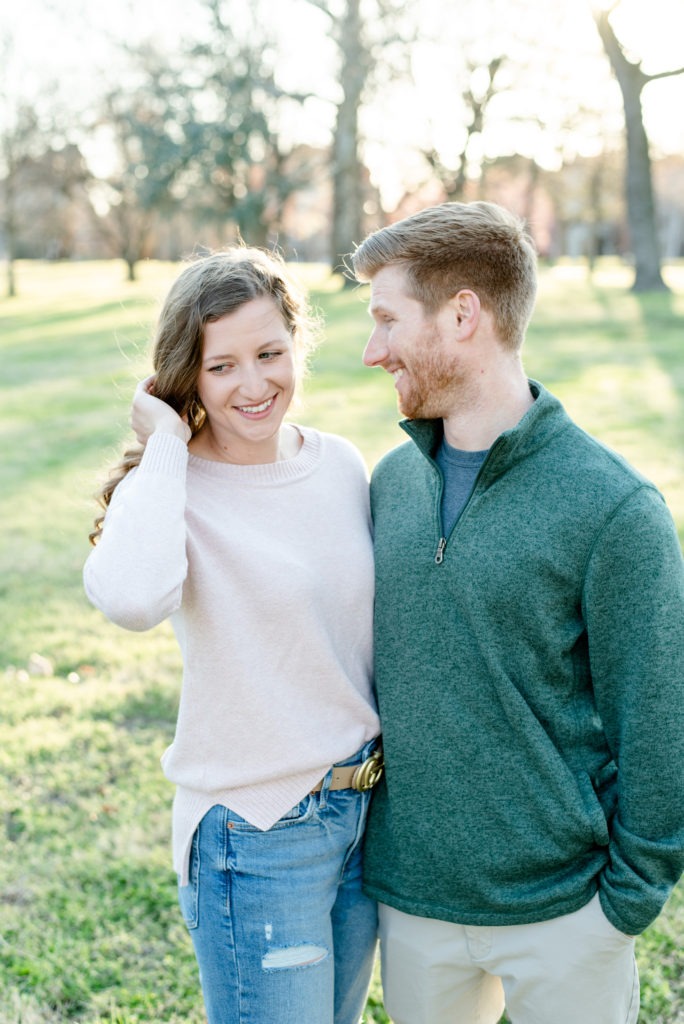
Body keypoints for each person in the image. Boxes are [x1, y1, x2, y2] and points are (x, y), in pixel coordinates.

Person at [350, 200, 684, 1024]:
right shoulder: (389, 485)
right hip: (415, 903)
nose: (371, 350)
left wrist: (624, 904)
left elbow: (660, 722)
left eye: (388, 319)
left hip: (566, 914)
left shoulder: (614, 509)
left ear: (463, 313)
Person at [84, 246, 383, 1024]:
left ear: (296, 345)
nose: (253, 386)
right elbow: (129, 598)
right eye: (221, 367)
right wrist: (164, 448)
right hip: (256, 834)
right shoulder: (173, 485)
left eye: (269, 354)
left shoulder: (341, 465)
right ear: (187, 376)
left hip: (362, 817)